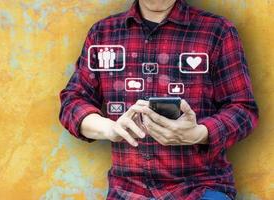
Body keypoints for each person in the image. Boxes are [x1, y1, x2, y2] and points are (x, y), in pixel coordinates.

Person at [59, 0, 259, 199]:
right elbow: (73, 101)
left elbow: (243, 109)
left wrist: (199, 133)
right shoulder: (102, 34)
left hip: (200, 186)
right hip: (127, 191)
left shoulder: (218, 31)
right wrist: (110, 129)